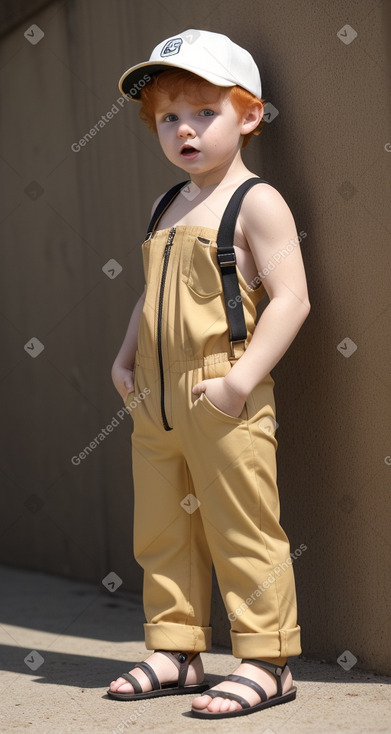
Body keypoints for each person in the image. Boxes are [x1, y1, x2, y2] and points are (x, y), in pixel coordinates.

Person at [108, 29, 310, 719]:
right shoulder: (169, 205)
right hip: (156, 401)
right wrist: (125, 355)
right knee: (161, 527)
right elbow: (150, 290)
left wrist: (237, 381)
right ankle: (177, 647)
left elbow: (291, 299)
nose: (183, 130)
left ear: (248, 115)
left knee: (242, 525)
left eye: (203, 113)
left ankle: (267, 658)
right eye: (168, 117)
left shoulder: (256, 201)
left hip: (224, 390)